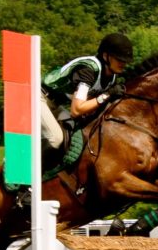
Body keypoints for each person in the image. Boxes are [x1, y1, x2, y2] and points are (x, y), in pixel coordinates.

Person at [40, 33, 133, 166]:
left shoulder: (111, 77)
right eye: (119, 59)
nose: (123, 63)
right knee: (56, 138)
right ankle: (25, 176)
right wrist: (107, 95)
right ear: (106, 56)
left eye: (125, 60)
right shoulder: (88, 70)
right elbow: (76, 110)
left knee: (76, 136)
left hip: (56, 105)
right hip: (38, 97)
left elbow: (92, 104)